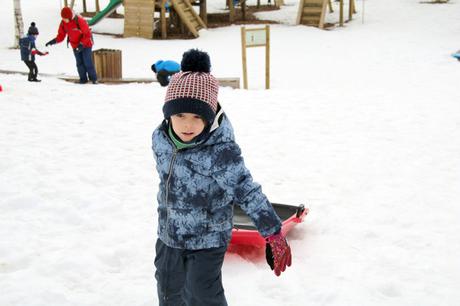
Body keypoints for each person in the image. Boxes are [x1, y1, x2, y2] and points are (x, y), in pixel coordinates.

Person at [151, 49, 292, 306]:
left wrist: (273, 233)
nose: (187, 125)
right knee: (169, 291)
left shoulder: (219, 151)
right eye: (180, 115)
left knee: (202, 293)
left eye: (197, 116)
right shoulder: (160, 139)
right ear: (168, 114)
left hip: (208, 238)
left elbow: (246, 190)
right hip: (169, 235)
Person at [45, 7, 98, 84]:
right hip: (75, 45)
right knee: (79, 63)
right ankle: (83, 79)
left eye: (65, 18)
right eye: (63, 18)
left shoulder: (79, 21)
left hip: (86, 44)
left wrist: (81, 44)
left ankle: (94, 79)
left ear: (70, 17)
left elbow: (87, 34)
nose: (63, 19)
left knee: (87, 62)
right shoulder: (63, 23)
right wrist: (53, 41)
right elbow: (61, 35)